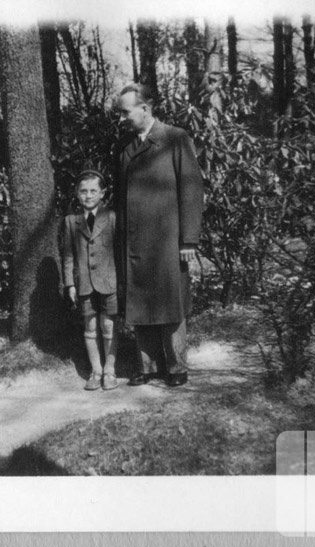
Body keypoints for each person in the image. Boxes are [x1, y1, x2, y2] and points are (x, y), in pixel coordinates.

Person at [116, 82, 204, 387]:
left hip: (168, 238)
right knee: (140, 301)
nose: (122, 118)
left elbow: (191, 189)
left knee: (171, 301)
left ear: (144, 108)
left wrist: (189, 239)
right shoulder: (125, 148)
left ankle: (177, 367)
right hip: (135, 240)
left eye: (126, 112)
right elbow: (120, 198)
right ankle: (148, 365)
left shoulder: (175, 138)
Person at [62, 170, 119, 391]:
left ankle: (110, 370)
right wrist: (70, 283)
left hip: (109, 281)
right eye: (83, 191)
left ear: (102, 193)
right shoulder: (71, 221)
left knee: (108, 325)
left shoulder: (111, 217)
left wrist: (121, 281)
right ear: (77, 193)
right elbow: (68, 255)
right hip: (84, 283)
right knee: (90, 326)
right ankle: (96, 370)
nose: (88, 195)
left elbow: (119, 251)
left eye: (93, 191)